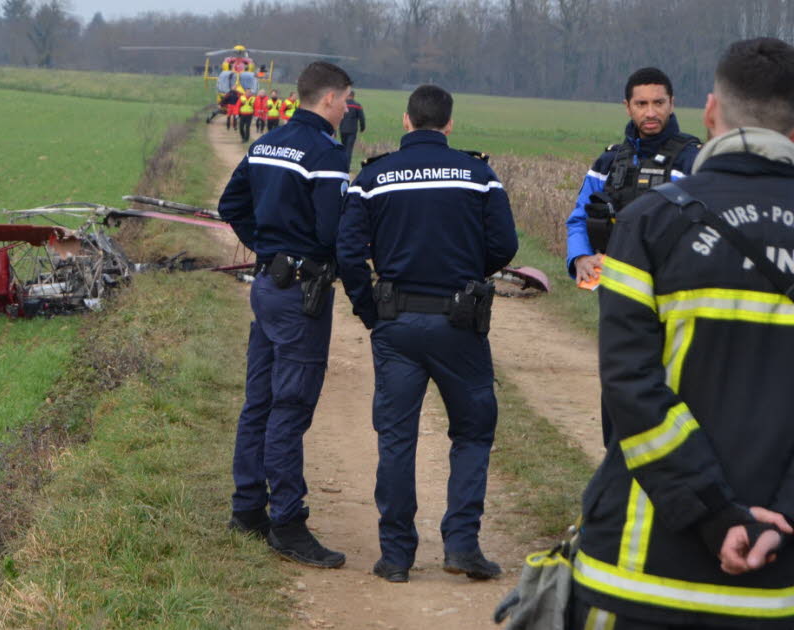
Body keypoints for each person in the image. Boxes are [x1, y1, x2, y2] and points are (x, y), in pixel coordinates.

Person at [568, 37, 794, 630]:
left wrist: (718, 515)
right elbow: (578, 215)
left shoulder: (654, 220)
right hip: (778, 588)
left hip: (640, 575)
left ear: (709, 112)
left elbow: (630, 386)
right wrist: (778, 515)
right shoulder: (614, 165)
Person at [337, 84, 518, 584]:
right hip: (459, 324)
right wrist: (467, 273)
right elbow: (505, 244)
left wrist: (369, 308)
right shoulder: (478, 174)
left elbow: (349, 253)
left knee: (397, 439)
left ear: (406, 121)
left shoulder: (373, 177)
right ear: (449, 124)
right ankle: (461, 546)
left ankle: (396, 557)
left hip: (395, 324)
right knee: (473, 432)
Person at [219, 61, 353, 569]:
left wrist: (266, 248)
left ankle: (248, 508)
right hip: (301, 296)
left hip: (268, 287)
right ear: (327, 99)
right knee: (290, 406)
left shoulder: (266, 143)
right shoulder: (325, 152)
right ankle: (289, 523)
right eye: (345, 99)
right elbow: (330, 232)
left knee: (260, 399)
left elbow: (231, 203)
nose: (347, 108)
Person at [566, 67, 702, 287]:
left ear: (671, 104)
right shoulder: (608, 162)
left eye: (658, 103)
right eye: (641, 104)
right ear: (627, 107)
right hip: (614, 288)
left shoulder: (694, 161)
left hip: (675, 287)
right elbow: (579, 218)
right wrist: (580, 257)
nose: (650, 113)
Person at [339, 89, 366, 168]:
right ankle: (347, 167)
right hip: (352, 130)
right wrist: (362, 128)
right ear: (353, 96)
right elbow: (362, 118)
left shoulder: (342, 105)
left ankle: (342, 165)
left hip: (342, 129)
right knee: (349, 149)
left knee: (344, 148)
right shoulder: (357, 105)